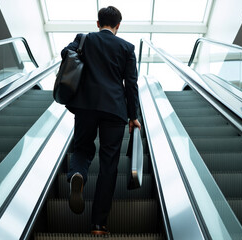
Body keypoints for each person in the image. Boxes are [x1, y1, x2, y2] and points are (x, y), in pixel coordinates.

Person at [61, 6, 141, 235]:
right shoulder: (127, 48)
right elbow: (131, 84)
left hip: (85, 105)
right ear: (118, 26)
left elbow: (66, 54)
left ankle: (78, 175)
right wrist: (132, 116)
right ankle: (98, 224)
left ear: (98, 23)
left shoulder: (84, 39)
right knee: (108, 164)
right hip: (115, 110)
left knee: (83, 148)